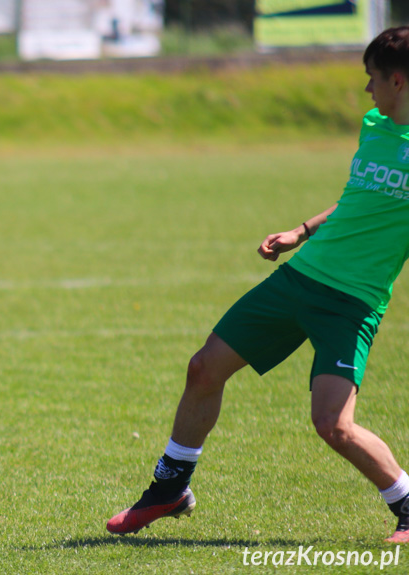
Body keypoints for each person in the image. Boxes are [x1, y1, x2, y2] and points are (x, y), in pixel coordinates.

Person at [107, 26, 409, 543]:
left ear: (398, 81)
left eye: (372, 79)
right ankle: (170, 488)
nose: (367, 90)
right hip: (299, 279)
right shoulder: (374, 126)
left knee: (333, 425)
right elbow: (359, 198)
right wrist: (302, 230)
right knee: (203, 367)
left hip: (352, 303)